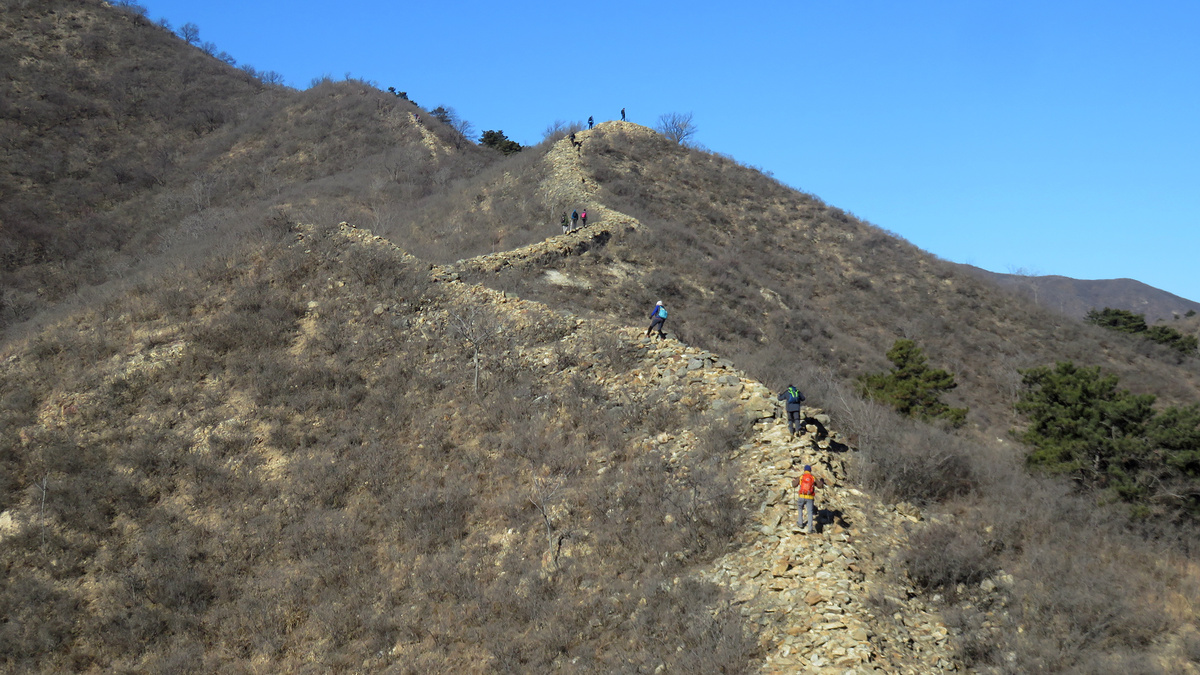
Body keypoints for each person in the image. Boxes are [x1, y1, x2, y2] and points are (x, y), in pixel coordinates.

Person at [792, 465, 826, 534]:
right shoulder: (813, 477)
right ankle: (810, 529)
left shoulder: (802, 477)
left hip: (802, 495)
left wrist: (793, 481)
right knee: (810, 512)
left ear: (804, 470)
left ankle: (800, 523)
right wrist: (822, 481)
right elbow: (819, 486)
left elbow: (794, 485)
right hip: (810, 497)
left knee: (800, 508)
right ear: (810, 470)